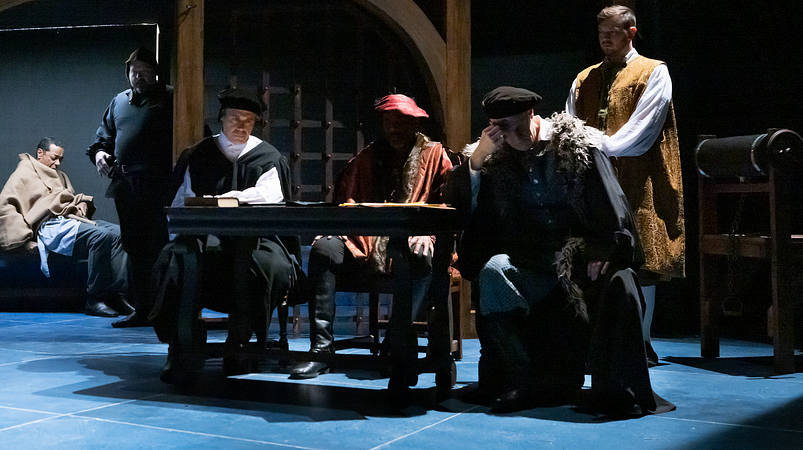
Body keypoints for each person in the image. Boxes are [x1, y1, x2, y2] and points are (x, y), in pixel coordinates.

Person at [445, 86, 674, 416]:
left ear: (531, 115)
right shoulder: (497, 160)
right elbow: (465, 208)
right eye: (497, 127)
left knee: (618, 281)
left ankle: (615, 387)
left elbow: (612, 209)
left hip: (577, 259)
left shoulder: (575, 147)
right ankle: (522, 381)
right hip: (530, 260)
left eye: (510, 125)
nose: (505, 135)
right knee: (494, 271)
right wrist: (477, 160)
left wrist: (605, 248)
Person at [290, 94, 455, 381]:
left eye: (402, 122)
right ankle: (321, 350)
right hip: (365, 242)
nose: (395, 129)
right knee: (324, 249)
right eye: (390, 123)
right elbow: (346, 200)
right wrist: (338, 230)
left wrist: (429, 233)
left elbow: (450, 202)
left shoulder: (433, 155)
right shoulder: (369, 156)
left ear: (414, 124)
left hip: (414, 240)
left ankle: (396, 340)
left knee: (419, 256)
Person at [149, 88, 302, 385]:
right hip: (204, 237)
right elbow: (182, 200)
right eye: (235, 118)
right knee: (176, 260)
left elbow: (272, 199)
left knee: (267, 265)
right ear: (221, 119)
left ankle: (242, 343)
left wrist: (235, 198)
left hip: (258, 237)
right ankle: (182, 343)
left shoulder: (267, 157)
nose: (241, 126)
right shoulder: (198, 155)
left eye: (249, 120)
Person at [567, 5, 685, 365]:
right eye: (602, 31)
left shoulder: (653, 72)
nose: (606, 38)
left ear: (631, 33)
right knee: (593, 255)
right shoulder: (584, 77)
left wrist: (601, 146)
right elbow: (570, 123)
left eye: (614, 32)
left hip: (641, 176)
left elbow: (643, 129)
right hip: (595, 179)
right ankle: (598, 340)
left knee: (643, 257)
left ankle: (641, 341)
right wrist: (579, 152)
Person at [0, 137, 131, 318]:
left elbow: (69, 199)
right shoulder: (24, 172)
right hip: (49, 225)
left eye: (60, 160)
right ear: (40, 153)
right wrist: (24, 241)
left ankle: (117, 294)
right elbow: (3, 209)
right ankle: (95, 299)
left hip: (71, 219)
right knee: (102, 236)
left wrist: (81, 205)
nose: (57, 163)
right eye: (54, 157)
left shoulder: (60, 176)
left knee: (120, 233)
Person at [87, 46, 175, 328]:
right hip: (126, 185)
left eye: (145, 72)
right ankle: (141, 309)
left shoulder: (172, 98)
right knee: (134, 249)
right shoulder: (119, 102)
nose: (139, 77)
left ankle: (163, 309)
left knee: (160, 248)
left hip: (161, 185)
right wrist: (100, 154)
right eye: (134, 72)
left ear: (156, 73)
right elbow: (103, 140)